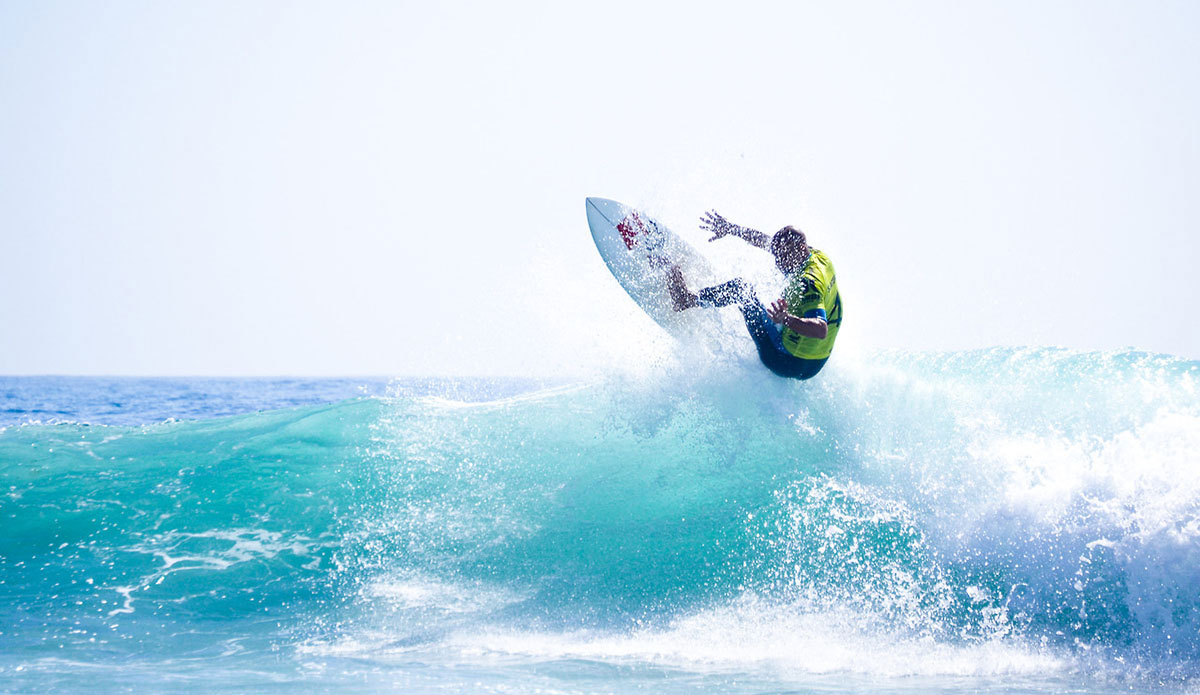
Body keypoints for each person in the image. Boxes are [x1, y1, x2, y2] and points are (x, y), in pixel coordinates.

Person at [666, 210, 842, 380]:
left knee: (741, 289)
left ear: (800, 249)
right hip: (816, 364)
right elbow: (766, 242)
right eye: (777, 255)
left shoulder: (808, 283)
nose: (778, 262)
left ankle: (686, 300)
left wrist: (785, 319)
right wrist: (731, 229)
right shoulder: (816, 257)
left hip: (784, 361)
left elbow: (820, 329)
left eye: (782, 257)